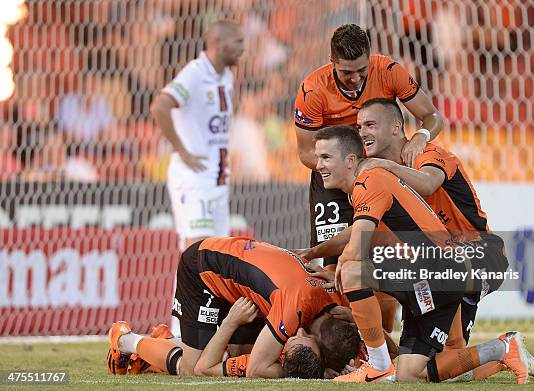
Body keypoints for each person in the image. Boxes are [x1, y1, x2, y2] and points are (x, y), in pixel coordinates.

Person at [305, 99, 534, 382]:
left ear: (397, 127)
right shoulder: (375, 179)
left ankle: (378, 366)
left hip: (480, 254)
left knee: (354, 271)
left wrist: (390, 162)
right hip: (442, 264)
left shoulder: (422, 157)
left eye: (370, 124)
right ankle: (503, 350)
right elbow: (358, 230)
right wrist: (314, 251)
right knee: (419, 370)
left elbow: (428, 183)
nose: (362, 132)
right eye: (359, 126)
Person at [294, 23, 446, 269]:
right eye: (346, 73)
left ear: (370, 57)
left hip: (381, 175)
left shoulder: (388, 71)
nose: (355, 79)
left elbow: (433, 117)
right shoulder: (313, 90)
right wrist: (348, 170)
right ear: (332, 60)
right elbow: (305, 152)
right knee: (335, 269)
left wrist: (421, 136)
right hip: (335, 180)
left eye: (362, 70)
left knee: (385, 265)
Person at [106, 236, 360, 379]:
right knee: (191, 370)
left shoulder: (341, 303)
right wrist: (326, 375)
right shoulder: (295, 305)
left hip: (245, 285)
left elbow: (382, 345)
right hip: (202, 269)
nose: (299, 335)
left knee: (237, 354)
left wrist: (359, 324)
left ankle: (167, 344)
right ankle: (126, 340)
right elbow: (257, 369)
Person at [151, 20, 244, 250]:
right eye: (238, 42)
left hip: (218, 179)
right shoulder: (194, 73)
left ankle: (181, 288)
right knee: (199, 253)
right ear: (216, 42)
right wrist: (183, 151)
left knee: (214, 257)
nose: (243, 48)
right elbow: (159, 107)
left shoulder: (227, 77)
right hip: (194, 177)